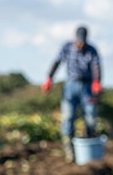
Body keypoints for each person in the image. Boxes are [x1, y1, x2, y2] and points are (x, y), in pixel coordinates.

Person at [42, 25, 102, 161]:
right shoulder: (67, 47)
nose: (80, 44)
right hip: (70, 85)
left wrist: (97, 82)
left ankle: (89, 151)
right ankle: (70, 153)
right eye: (78, 41)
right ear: (75, 38)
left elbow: (96, 66)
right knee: (68, 117)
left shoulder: (91, 50)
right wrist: (49, 78)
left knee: (91, 117)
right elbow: (57, 61)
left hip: (87, 87)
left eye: (83, 42)